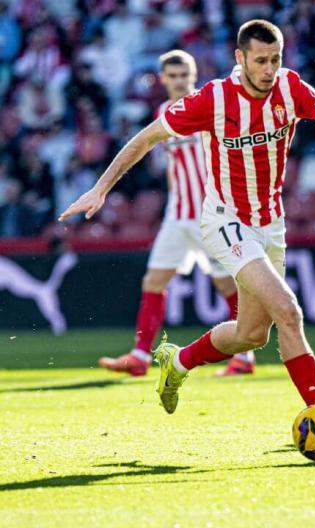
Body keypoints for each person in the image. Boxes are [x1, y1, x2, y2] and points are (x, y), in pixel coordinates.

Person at [60, 20, 315, 415]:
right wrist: (100, 188)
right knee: (288, 310)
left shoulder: (291, 88)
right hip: (225, 220)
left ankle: (178, 362)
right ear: (240, 58)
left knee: (251, 335)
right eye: (260, 61)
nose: (269, 69)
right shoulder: (213, 99)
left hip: (271, 223)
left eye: (275, 59)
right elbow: (146, 137)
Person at [96, 50, 255, 378]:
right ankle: (139, 356)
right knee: (154, 280)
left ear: (194, 76)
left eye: (185, 75)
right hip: (177, 213)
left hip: (208, 214)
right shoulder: (163, 112)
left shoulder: (208, 108)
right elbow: (171, 166)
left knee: (225, 284)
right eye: (174, 76)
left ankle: (245, 357)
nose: (180, 81)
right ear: (164, 79)